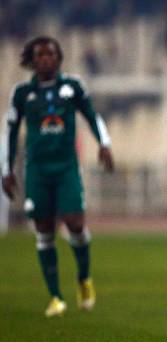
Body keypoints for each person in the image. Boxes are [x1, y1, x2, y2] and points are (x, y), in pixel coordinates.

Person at [1, 36, 114, 317]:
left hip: (65, 167)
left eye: (51, 54)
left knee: (75, 223)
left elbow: (91, 115)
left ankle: (84, 278)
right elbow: (11, 130)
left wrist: (104, 142)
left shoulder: (72, 86)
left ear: (58, 58)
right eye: (40, 55)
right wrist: (7, 169)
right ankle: (55, 297)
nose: (45, 59)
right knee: (44, 230)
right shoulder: (22, 93)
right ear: (32, 60)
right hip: (37, 169)